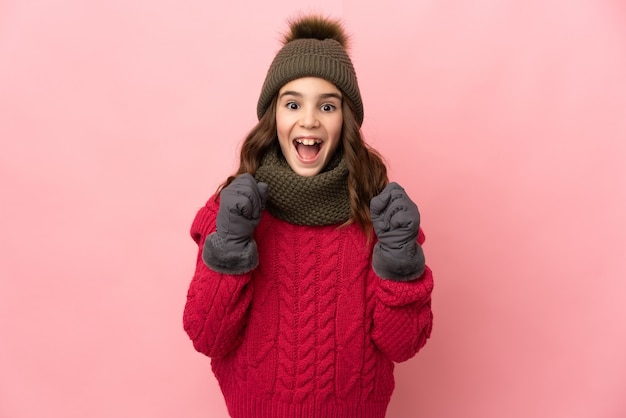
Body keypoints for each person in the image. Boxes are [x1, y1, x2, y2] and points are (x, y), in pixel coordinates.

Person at [183, 14, 434, 418]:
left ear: (345, 120)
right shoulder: (234, 208)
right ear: (274, 116)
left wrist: (400, 262)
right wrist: (230, 245)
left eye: (328, 105)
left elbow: (402, 346)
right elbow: (207, 336)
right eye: (293, 103)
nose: (309, 119)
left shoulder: (381, 215)